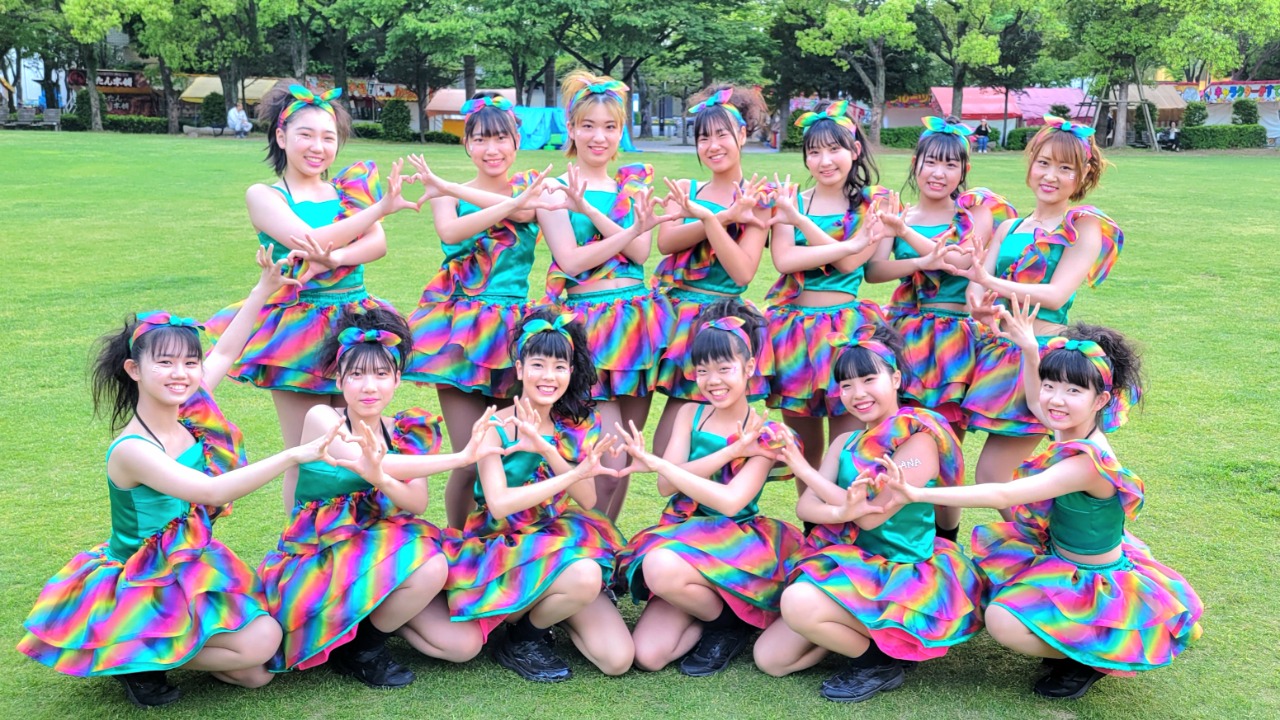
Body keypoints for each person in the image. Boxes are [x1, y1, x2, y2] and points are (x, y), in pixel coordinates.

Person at [17, 248, 341, 708]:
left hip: (187, 560)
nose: (181, 374)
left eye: (190, 363)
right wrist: (293, 455)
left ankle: (155, 646)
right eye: (165, 363)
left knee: (254, 674)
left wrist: (264, 288)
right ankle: (134, 655)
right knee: (261, 642)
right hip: (142, 576)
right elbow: (210, 491)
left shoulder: (188, 408)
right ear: (134, 370)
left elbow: (226, 349)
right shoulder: (133, 449)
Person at [874, 301, 1202, 699]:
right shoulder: (1071, 427)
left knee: (1002, 622)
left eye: (1073, 391)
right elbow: (1035, 403)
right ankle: (1072, 637)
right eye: (1051, 386)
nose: (1055, 400)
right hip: (1058, 556)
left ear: (1101, 400)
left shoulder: (1088, 462)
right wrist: (1031, 350)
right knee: (989, 593)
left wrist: (918, 492)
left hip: (1093, 578)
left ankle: (1092, 655)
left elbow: (1004, 493)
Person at [205, 79, 421, 516]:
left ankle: (356, 528)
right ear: (282, 137)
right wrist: (377, 210)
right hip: (296, 329)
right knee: (305, 449)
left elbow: (376, 244)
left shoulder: (347, 191)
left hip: (355, 320)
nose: (318, 147)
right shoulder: (265, 195)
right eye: (306, 135)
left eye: (328, 137)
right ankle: (296, 542)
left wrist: (332, 258)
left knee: (360, 441)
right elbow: (309, 240)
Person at [257, 308, 490, 688]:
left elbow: (415, 503)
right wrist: (460, 458)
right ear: (339, 378)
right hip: (324, 554)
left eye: (381, 374)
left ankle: (368, 627)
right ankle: (363, 651)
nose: (369, 386)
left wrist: (380, 479)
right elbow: (368, 460)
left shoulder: (407, 430)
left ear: (397, 378)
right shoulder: (324, 419)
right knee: (431, 567)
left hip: (384, 549)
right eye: (357, 375)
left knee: (461, 646)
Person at [752, 323, 984, 703]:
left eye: (868, 379)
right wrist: (845, 507)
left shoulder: (919, 438)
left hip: (901, 575)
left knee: (797, 603)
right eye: (846, 385)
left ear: (895, 379)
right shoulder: (845, 441)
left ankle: (878, 661)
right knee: (772, 659)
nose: (857, 393)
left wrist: (808, 473)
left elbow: (873, 515)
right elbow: (806, 506)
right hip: (850, 566)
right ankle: (879, 642)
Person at [943, 115, 1123, 521]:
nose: (1050, 176)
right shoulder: (1009, 227)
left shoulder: (1083, 225)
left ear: (1083, 176)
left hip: (1044, 360)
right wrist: (981, 305)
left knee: (995, 473)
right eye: (1043, 163)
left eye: (1065, 168)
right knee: (1003, 473)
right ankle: (1046, 543)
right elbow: (977, 289)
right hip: (1000, 355)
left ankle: (1046, 546)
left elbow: (1056, 293)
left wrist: (990, 282)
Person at [444, 307, 633, 683]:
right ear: (519, 369)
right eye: (538, 365)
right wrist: (563, 467)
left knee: (618, 659)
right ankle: (522, 638)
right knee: (584, 576)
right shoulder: (494, 426)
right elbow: (499, 504)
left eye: (559, 366)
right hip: (504, 546)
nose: (549, 376)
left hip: (558, 539)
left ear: (571, 372)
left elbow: (588, 499)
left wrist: (547, 448)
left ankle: (547, 616)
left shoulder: (575, 425)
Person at [616, 300, 803, 677]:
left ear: (749, 367)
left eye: (724, 368)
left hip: (737, 543)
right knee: (648, 655)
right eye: (703, 370)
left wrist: (668, 466)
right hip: (686, 534)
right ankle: (725, 618)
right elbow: (665, 484)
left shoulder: (767, 433)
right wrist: (731, 452)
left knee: (658, 566)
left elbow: (732, 502)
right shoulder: (690, 413)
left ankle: (728, 622)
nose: (713, 380)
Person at [402, 93, 563, 529]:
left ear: (517, 141)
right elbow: (451, 233)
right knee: (469, 455)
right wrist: (485, 199)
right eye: (480, 139)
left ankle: (496, 540)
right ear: (466, 144)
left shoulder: (533, 190)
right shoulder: (447, 196)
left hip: (511, 334)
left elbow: (527, 210)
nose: (492, 149)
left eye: (501, 138)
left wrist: (502, 198)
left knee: (510, 449)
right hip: (457, 333)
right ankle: (457, 541)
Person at [863, 116, 1016, 539]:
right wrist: (917, 258)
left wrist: (906, 234)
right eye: (931, 162)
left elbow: (962, 261)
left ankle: (946, 540)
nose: (939, 173)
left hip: (955, 340)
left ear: (964, 170)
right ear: (916, 163)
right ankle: (896, 533)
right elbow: (875, 270)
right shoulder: (899, 211)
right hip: (903, 335)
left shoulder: (973, 212)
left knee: (946, 443)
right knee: (897, 437)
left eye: (951, 165)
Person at [537, 72, 675, 519]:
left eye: (610, 127)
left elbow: (641, 251)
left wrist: (591, 211)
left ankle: (608, 543)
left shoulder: (631, 186)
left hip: (636, 322)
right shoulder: (552, 188)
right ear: (571, 128)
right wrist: (625, 229)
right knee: (605, 459)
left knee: (626, 455)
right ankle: (586, 541)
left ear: (621, 132)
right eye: (589, 126)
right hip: (587, 324)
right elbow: (571, 260)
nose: (599, 137)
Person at [764, 99, 891, 483]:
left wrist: (802, 224)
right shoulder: (790, 199)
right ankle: (810, 518)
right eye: (814, 152)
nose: (824, 161)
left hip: (845, 331)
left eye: (834, 149)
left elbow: (852, 265)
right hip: (794, 332)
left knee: (846, 443)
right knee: (803, 448)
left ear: (855, 150)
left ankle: (841, 515)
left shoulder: (873, 203)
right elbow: (785, 259)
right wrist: (847, 244)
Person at [650, 85, 773, 461]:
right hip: (677, 316)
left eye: (722, 134)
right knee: (671, 427)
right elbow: (666, 242)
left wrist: (710, 218)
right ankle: (675, 493)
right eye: (704, 137)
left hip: (724, 319)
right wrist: (724, 216)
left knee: (719, 423)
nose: (713, 145)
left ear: (742, 135)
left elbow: (742, 272)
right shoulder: (685, 189)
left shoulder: (760, 197)